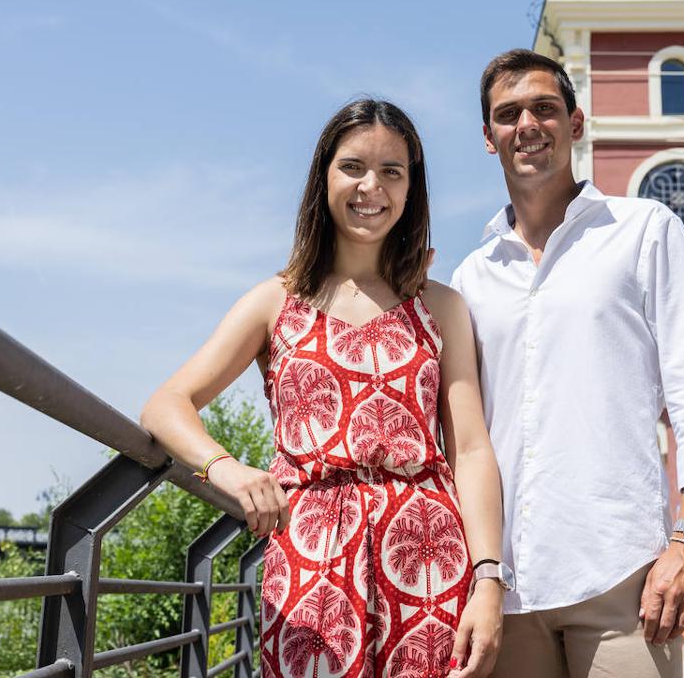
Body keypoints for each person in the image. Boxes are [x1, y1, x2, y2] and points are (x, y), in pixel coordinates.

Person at [141, 99, 506, 678]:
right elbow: (166, 404)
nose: (372, 187)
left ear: (412, 189)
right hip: (310, 559)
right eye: (353, 167)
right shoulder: (275, 302)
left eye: (393, 171)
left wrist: (489, 580)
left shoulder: (440, 305)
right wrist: (228, 470)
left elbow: (472, 450)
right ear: (324, 177)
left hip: (430, 557)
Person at [449, 50, 684, 678]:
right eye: (508, 114)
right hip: (507, 584)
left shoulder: (645, 231)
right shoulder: (471, 277)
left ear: (576, 124)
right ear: (488, 137)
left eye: (544, 108)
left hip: (623, 578)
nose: (527, 123)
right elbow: (461, 435)